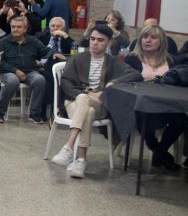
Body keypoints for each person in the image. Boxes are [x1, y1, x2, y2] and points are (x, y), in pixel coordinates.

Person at [50, 25, 142, 178]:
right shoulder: (77, 58)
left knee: (88, 105)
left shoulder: (112, 61)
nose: (95, 43)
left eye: (100, 40)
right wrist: (83, 94)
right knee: (87, 109)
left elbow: (136, 75)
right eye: (92, 39)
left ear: (108, 43)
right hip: (74, 100)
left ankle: (68, 147)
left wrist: (112, 83)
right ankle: (80, 160)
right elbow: (66, 83)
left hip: (100, 103)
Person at [124, 25, 187, 170]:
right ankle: (158, 152)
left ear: (161, 41)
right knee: (144, 118)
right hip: (140, 104)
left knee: (182, 120)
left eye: (153, 37)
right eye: (145, 37)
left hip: (166, 103)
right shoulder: (132, 58)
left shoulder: (171, 60)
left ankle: (159, 153)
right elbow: (125, 81)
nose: (148, 40)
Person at [0, 16, 65, 124]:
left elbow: (45, 50)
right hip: (9, 72)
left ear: (25, 29)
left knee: (40, 79)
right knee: (13, 81)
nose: (15, 29)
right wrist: (15, 70)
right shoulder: (3, 42)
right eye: (13, 27)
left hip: (29, 71)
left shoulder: (33, 41)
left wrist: (54, 53)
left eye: (18, 27)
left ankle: (34, 114)